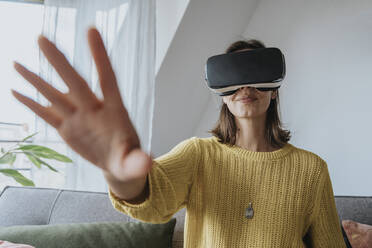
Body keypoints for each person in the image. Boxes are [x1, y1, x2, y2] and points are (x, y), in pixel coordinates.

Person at [11, 27, 346, 247]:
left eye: (257, 77)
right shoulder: (198, 154)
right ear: (221, 94)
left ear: (274, 91)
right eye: (233, 79)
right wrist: (118, 174)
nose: (245, 88)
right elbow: (152, 202)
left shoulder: (311, 169)